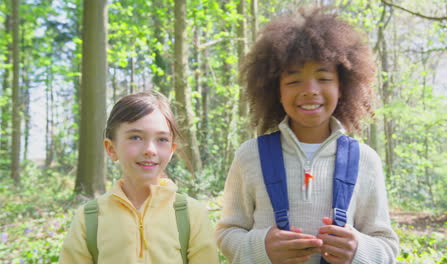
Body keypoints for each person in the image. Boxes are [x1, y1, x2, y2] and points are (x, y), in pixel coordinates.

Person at [215, 7, 399, 264]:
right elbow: (226, 234)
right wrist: (261, 248)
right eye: (293, 81)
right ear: (275, 92)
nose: (310, 91)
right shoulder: (250, 156)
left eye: (323, 78)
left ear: (342, 87)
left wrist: (358, 249)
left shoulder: (365, 160)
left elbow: (386, 244)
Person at [60, 91, 218, 264]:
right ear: (111, 148)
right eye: (135, 137)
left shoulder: (191, 215)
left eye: (162, 139)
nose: (150, 149)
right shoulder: (89, 218)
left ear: (172, 150)